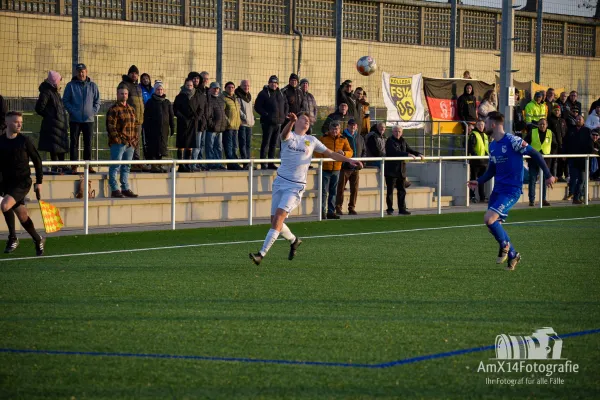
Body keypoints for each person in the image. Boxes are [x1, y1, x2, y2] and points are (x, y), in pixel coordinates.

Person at [249, 112, 362, 265]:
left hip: (296, 186)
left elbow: (331, 154)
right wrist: (290, 122)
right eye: (304, 119)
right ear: (296, 122)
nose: (307, 121)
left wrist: (350, 160)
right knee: (274, 221)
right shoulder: (290, 135)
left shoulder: (311, 140)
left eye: (309, 120)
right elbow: (283, 135)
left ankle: (261, 254)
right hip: (280, 182)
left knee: (278, 219)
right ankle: (294, 240)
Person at [468, 112, 555, 271]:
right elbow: (491, 171)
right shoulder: (492, 145)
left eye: (486, 123)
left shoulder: (513, 141)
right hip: (498, 190)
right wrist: (478, 181)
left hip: (511, 190)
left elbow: (535, 153)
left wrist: (548, 175)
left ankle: (504, 246)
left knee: (489, 219)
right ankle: (513, 255)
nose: (484, 126)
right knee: (492, 225)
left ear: (493, 124)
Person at [0, 111, 46, 256]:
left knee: (5, 205)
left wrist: (39, 181)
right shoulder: (0, 141)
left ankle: (13, 238)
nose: (19, 124)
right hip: (7, 183)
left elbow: (37, 161)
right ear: (6, 123)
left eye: (20, 121)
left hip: (22, 182)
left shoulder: (24, 141)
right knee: (22, 215)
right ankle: (38, 239)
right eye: (16, 122)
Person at [62, 63, 101, 174]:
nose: (81, 73)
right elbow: (65, 100)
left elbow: (97, 101)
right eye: (79, 71)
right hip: (75, 120)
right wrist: (72, 111)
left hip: (89, 120)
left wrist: (93, 112)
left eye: (83, 71)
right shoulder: (70, 85)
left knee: (88, 143)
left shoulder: (93, 86)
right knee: (74, 143)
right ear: (76, 73)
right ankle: (74, 166)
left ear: (86, 72)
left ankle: (88, 166)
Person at [106, 85, 139, 198]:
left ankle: (125, 188)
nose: (123, 95)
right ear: (117, 94)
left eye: (125, 93)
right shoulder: (113, 109)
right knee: (115, 166)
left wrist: (135, 140)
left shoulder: (131, 109)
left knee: (126, 166)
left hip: (130, 143)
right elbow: (111, 127)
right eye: (121, 93)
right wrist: (118, 140)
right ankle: (115, 189)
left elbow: (135, 126)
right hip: (119, 143)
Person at [317, 121, 353, 219]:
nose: (334, 131)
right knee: (324, 192)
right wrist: (325, 157)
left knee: (333, 192)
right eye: (333, 129)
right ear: (329, 129)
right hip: (325, 168)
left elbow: (350, 151)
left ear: (339, 129)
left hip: (336, 169)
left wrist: (344, 153)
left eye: (336, 129)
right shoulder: (323, 138)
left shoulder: (343, 139)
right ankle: (322, 212)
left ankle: (331, 212)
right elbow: (317, 151)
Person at [384, 126, 423, 215]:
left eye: (399, 131)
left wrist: (418, 154)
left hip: (401, 170)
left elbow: (409, 150)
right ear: (392, 132)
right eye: (396, 131)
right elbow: (394, 152)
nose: (397, 133)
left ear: (402, 132)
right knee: (390, 191)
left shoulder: (403, 141)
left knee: (402, 190)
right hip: (391, 171)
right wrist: (407, 154)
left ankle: (402, 209)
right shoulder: (390, 141)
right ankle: (390, 209)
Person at [36, 70, 69, 174]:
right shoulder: (46, 92)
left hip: (59, 124)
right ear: (54, 81)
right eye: (59, 80)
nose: (60, 83)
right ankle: (56, 166)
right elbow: (39, 108)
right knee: (54, 147)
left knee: (61, 146)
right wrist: (50, 116)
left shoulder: (54, 92)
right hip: (53, 124)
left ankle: (62, 165)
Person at [254, 75, 288, 170]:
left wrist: (284, 115)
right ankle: (263, 163)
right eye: (272, 82)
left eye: (276, 83)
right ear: (269, 83)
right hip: (268, 123)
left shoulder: (281, 94)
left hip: (278, 123)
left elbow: (286, 105)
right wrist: (266, 114)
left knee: (274, 144)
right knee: (266, 143)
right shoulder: (263, 93)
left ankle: (270, 163)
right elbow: (257, 107)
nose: (274, 84)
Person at [119, 65, 146, 171]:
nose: (134, 75)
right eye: (132, 73)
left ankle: (136, 162)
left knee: (136, 142)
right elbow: (122, 101)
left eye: (136, 73)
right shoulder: (125, 85)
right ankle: (128, 163)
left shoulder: (137, 86)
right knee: (128, 142)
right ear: (129, 74)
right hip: (129, 120)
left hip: (139, 120)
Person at [143, 81, 174, 173]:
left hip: (164, 129)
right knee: (153, 147)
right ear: (155, 91)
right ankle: (154, 166)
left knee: (161, 147)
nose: (160, 91)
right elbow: (146, 116)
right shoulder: (150, 102)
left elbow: (171, 115)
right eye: (158, 89)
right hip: (153, 129)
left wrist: (172, 127)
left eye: (161, 89)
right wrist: (146, 128)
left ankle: (159, 165)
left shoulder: (167, 102)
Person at [336, 119, 365, 216]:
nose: (353, 127)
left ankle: (352, 208)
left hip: (356, 168)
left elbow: (364, 151)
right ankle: (338, 207)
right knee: (340, 189)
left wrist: (362, 162)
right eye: (351, 125)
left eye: (354, 125)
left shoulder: (360, 137)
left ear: (356, 126)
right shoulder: (342, 137)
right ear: (347, 126)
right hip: (344, 167)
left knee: (354, 189)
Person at [174, 78, 202, 173]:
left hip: (192, 123)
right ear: (184, 85)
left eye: (191, 85)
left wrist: (196, 117)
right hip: (182, 123)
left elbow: (200, 108)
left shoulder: (196, 96)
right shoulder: (180, 96)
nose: (189, 87)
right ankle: (181, 165)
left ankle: (187, 164)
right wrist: (183, 118)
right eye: (187, 85)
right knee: (181, 143)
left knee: (190, 144)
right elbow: (175, 110)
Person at [524, 118, 553, 207]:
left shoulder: (550, 133)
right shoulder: (532, 132)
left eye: (544, 124)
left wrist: (552, 155)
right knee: (532, 179)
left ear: (547, 125)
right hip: (534, 160)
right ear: (538, 124)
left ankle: (543, 199)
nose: (542, 126)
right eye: (540, 124)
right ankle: (531, 200)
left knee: (544, 180)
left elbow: (555, 145)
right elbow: (525, 143)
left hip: (545, 161)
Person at [564, 115, 592, 204]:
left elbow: (590, 145)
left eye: (580, 119)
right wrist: (564, 154)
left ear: (583, 121)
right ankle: (574, 196)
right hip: (573, 159)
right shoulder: (570, 130)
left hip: (583, 160)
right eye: (577, 119)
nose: (578, 120)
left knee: (582, 180)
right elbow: (565, 143)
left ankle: (577, 197)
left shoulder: (587, 131)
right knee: (574, 178)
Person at [205, 82, 227, 170]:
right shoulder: (208, 98)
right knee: (210, 146)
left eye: (217, 88)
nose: (216, 90)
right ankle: (210, 163)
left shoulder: (221, 98)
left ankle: (218, 163)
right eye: (214, 88)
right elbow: (207, 114)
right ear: (210, 89)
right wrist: (211, 124)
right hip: (212, 128)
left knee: (218, 147)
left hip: (220, 127)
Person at [188, 71, 208, 171]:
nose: (196, 80)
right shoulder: (190, 91)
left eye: (197, 79)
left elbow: (204, 106)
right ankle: (192, 164)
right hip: (194, 122)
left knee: (200, 145)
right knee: (195, 145)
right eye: (194, 78)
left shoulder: (202, 91)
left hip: (202, 122)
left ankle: (197, 163)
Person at [467, 120, 489, 203]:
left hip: (484, 161)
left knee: (482, 179)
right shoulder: (473, 134)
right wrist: (475, 155)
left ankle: (482, 197)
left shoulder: (485, 135)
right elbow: (471, 147)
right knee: (473, 178)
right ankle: (472, 196)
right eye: (479, 125)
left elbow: (486, 148)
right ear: (476, 125)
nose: (481, 126)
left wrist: (487, 156)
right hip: (475, 161)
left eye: (482, 125)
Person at [222, 81, 242, 170]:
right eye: (229, 87)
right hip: (228, 127)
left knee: (235, 146)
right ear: (225, 89)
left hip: (236, 127)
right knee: (229, 146)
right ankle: (231, 163)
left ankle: (234, 162)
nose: (231, 89)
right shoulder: (224, 98)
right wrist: (228, 122)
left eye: (232, 87)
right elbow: (222, 112)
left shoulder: (236, 98)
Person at [235, 80, 255, 169]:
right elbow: (239, 110)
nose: (246, 87)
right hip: (243, 124)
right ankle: (245, 163)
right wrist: (245, 118)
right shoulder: (238, 96)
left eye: (248, 85)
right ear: (240, 86)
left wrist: (252, 119)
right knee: (243, 144)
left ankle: (248, 163)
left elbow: (251, 110)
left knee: (248, 144)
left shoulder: (249, 96)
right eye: (244, 85)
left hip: (249, 124)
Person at [547, 104, 567, 180]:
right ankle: (552, 175)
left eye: (558, 110)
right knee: (553, 160)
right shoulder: (550, 120)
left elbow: (565, 131)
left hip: (562, 144)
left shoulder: (562, 121)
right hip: (554, 144)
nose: (557, 112)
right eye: (555, 110)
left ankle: (560, 175)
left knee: (561, 160)